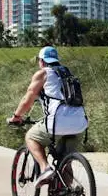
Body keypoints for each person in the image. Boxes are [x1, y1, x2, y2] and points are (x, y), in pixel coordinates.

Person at [6, 46, 88, 184]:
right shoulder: (67, 73)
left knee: (31, 137)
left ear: (42, 61)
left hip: (58, 123)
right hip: (79, 122)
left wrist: (16, 116)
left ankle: (45, 169)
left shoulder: (43, 73)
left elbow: (28, 99)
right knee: (65, 162)